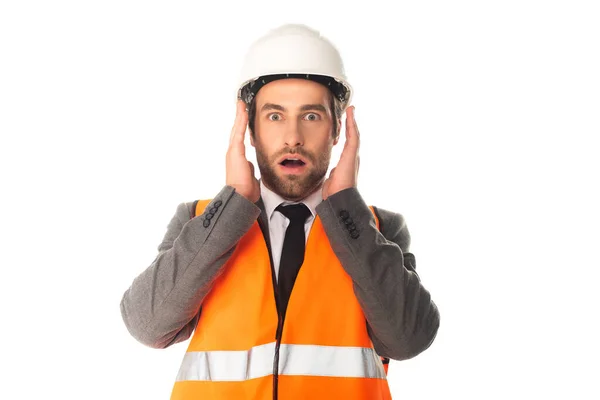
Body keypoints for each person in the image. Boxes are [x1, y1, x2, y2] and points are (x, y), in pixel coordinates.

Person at [120, 23, 440, 400]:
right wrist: (233, 201)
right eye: (274, 116)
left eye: (311, 116)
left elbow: (408, 339)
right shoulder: (200, 218)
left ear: (338, 130)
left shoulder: (376, 227)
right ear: (250, 131)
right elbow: (148, 325)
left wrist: (345, 206)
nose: (293, 137)